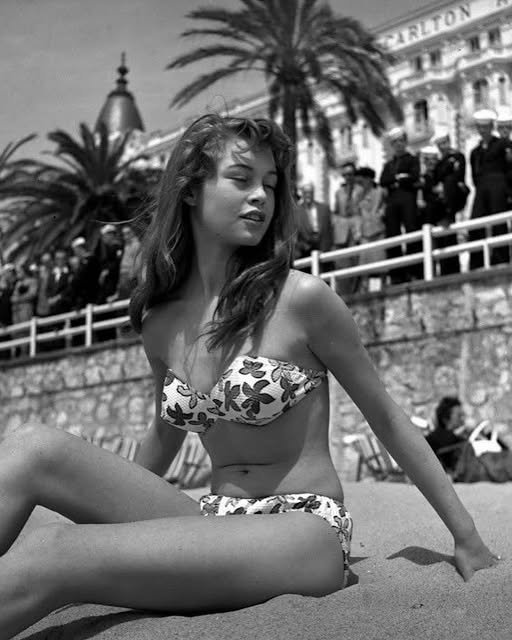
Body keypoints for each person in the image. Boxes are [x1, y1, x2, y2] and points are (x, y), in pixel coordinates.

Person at [0, 114, 499, 639]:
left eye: (270, 184)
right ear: (191, 190)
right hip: (212, 520)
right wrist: (120, 515)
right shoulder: (160, 323)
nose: (261, 195)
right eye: (241, 179)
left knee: (54, 550)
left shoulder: (301, 300)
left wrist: (466, 536)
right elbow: (165, 436)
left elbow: (388, 419)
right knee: (34, 447)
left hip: (301, 531)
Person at [379, 127, 422, 283]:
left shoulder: (412, 159)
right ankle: (396, 274)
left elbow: (414, 177)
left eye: (401, 141)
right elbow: (383, 180)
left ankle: (415, 270)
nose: (398, 144)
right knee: (393, 234)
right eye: (395, 142)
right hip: (393, 200)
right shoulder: (389, 164)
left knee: (411, 231)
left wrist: (398, 179)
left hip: (407, 197)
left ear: (405, 142)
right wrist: (399, 178)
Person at [469, 109, 510, 269]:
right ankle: (477, 262)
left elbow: (509, 167)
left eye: (485, 127)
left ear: (492, 127)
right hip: (481, 188)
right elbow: (474, 174)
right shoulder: (475, 151)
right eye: (479, 127)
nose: (482, 130)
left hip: (499, 185)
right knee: (476, 222)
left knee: (498, 222)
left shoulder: (502, 144)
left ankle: (501, 258)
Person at [431, 128, 469, 275]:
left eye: (444, 142)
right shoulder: (438, 162)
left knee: (449, 182)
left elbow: (456, 175)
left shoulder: (457, 156)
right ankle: (445, 269)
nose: (442, 146)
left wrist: (443, 185)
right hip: (441, 202)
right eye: (439, 144)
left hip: (454, 198)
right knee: (444, 238)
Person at [332, 162, 363, 295]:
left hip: (356, 229)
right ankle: (345, 292)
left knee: (357, 260)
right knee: (342, 262)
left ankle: (357, 290)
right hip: (342, 230)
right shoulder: (339, 192)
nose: (348, 177)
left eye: (350, 174)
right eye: (345, 174)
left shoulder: (360, 190)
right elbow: (336, 211)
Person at [354, 167, 386, 292]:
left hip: (378, 232)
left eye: (362, 181)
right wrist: (357, 231)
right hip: (365, 234)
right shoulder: (358, 195)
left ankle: (380, 290)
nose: (360, 184)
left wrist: (378, 216)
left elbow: (383, 209)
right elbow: (357, 214)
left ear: (369, 179)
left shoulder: (380, 192)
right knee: (365, 267)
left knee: (380, 265)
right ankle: (366, 292)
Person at [425, 397, 468, 475]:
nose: (462, 419)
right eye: (459, 416)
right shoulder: (433, 439)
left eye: (463, 415)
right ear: (445, 418)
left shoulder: (460, 437)